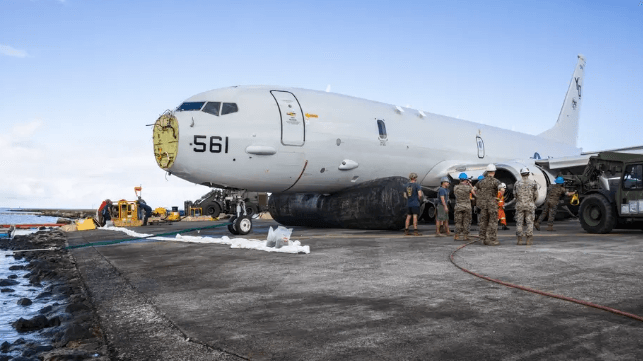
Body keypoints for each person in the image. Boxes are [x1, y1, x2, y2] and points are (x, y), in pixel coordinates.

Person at [477, 164, 502, 245]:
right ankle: (491, 240)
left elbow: (473, 189)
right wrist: (498, 198)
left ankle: (482, 238)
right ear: (494, 172)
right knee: (493, 221)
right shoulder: (496, 181)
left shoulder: (481, 181)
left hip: (483, 204)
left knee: (483, 221)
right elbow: (502, 190)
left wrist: (479, 196)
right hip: (492, 204)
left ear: (487, 172)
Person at [513, 167, 538, 245]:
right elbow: (536, 195)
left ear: (521, 174)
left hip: (520, 205)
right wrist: (531, 201)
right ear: (528, 173)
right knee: (530, 222)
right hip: (530, 205)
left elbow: (514, 195)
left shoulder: (517, 183)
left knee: (519, 223)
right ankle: (528, 240)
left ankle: (519, 240)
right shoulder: (533, 183)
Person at [454, 173, 476, 241]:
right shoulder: (468, 187)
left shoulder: (456, 187)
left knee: (458, 221)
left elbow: (455, 194)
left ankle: (457, 235)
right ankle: (465, 236)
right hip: (467, 207)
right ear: (466, 179)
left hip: (459, 206)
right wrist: (469, 184)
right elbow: (475, 194)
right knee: (466, 221)